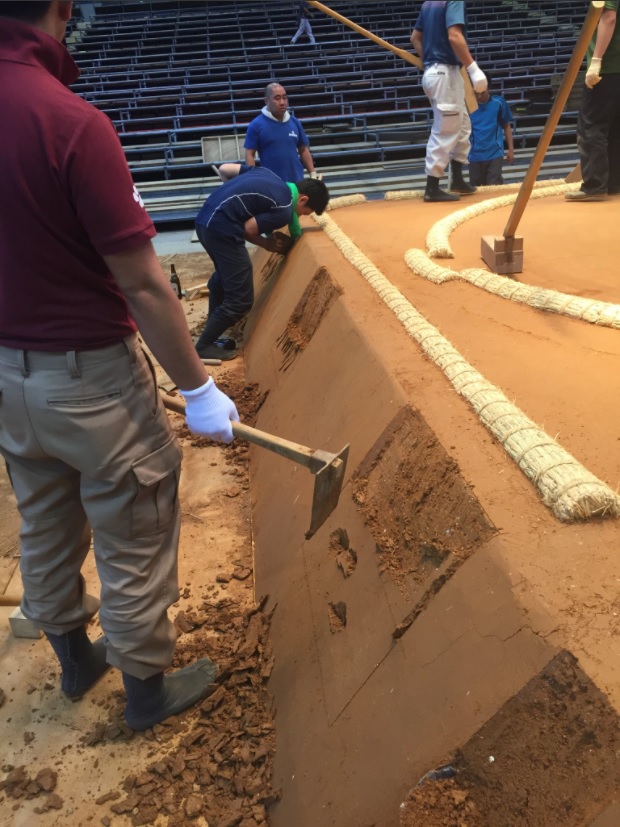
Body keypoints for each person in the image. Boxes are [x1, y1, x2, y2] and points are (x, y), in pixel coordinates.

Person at [0, 0, 240, 732]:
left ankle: (76, 660)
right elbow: (142, 281)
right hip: (92, 378)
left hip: (9, 376)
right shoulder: (71, 122)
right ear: (63, 8)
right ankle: (145, 694)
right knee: (133, 523)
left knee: (42, 522)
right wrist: (198, 388)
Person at [194, 164, 329, 360]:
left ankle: (211, 336)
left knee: (224, 278)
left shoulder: (269, 172)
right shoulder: (283, 207)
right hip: (222, 228)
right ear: (303, 199)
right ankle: (204, 346)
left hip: (204, 219)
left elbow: (227, 169)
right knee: (240, 300)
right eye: (303, 212)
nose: (298, 216)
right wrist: (266, 243)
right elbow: (249, 229)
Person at [411, 0, 488, 202]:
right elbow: (454, 36)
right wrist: (473, 68)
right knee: (446, 129)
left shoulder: (428, 4)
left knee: (462, 125)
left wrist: (427, 60)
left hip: (443, 72)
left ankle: (457, 180)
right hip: (443, 72)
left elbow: (415, 38)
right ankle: (432, 187)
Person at [565, 0, 620, 202]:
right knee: (615, 128)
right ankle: (613, 182)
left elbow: (608, 17)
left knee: (592, 126)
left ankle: (595, 185)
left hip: (608, 65)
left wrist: (596, 60)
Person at [244, 82, 321, 184]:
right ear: (266, 101)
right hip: (271, 183)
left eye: (284, 98)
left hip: (297, 182)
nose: (282, 102)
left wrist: (312, 173)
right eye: (277, 98)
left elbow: (303, 149)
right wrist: (253, 179)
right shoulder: (256, 125)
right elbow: (250, 154)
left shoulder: (295, 122)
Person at [468, 73, 515, 186]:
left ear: (488, 88)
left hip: (494, 153)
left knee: (494, 188)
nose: (479, 96)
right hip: (473, 155)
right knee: (476, 190)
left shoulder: (499, 103)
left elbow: (506, 126)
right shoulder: (468, 105)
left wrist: (511, 149)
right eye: (476, 93)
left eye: (482, 93)